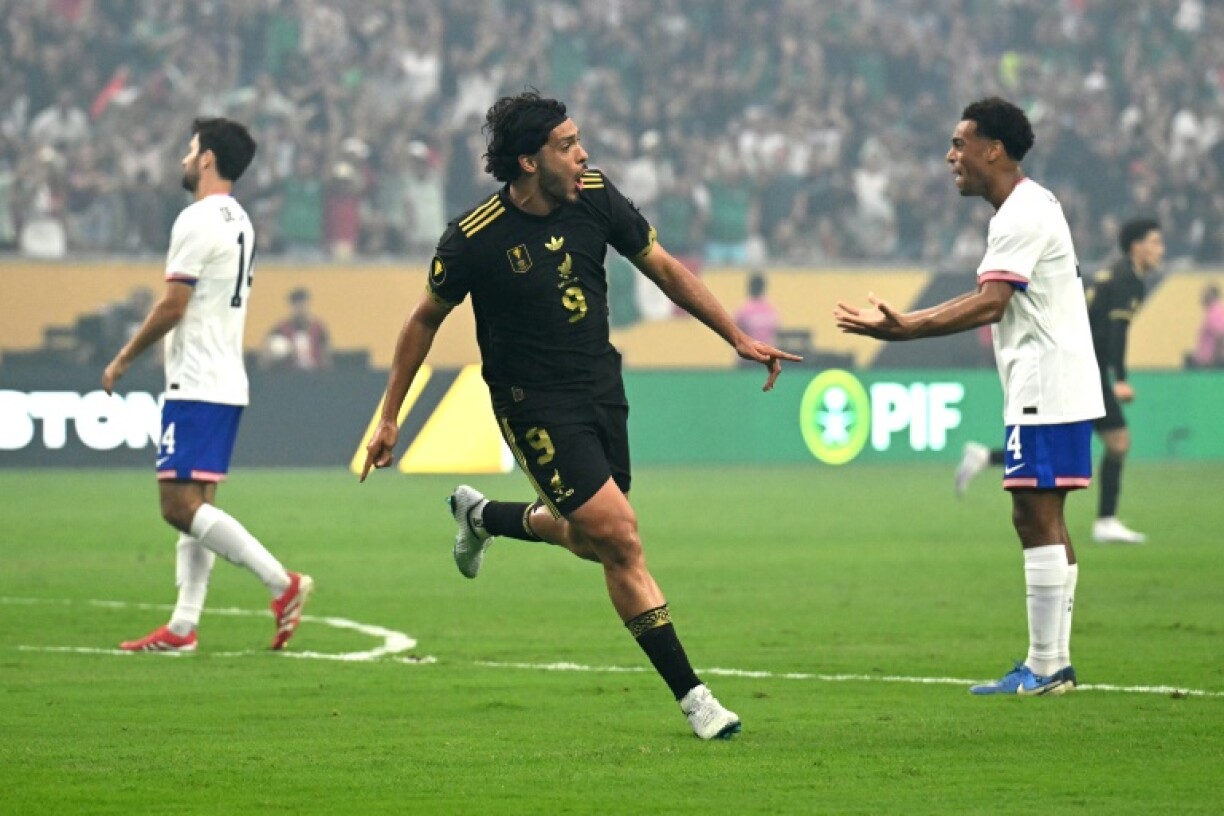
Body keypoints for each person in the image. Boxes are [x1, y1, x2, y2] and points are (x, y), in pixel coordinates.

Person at [362, 92, 800, 738]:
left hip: (600, 386)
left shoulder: (595, 194)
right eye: (567, 145)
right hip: (532, 404)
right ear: (529, 161)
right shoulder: (473, 238)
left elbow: (663, 268)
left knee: (593, 538)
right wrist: (391, 416)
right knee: (620, 537)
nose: (582, 153)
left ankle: (481, 515)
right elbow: (423, 320)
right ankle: (696, 699)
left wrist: (732, 335)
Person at [834, 97, 1103, 696]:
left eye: (960, 143)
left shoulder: (1020, 214)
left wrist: (905, 327)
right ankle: (1053, 664)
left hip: (1044, 381)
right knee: (1046, 513)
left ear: (994, 149)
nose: (950, 156)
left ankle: (1042, 665)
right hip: (1056, 379)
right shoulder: (1031, 204)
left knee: (1031, 512)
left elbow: (991, 301)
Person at [102, 117, 312, 653]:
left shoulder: (196, 218)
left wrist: (126, 355)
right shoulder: (240, 220)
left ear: (209, 159)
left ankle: (280, 583)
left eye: (190, 150)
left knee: (177, 506)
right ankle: (182, 626)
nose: (184, 159)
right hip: (223, 379)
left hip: (196, 380)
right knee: (197, 507)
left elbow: (175, 303)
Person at [955, 219, 1164, 545]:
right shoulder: (1128, 280)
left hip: (1075, 364)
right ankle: (1105, 521)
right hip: (1085, 368)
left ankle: (986, 457)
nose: (1160, 249)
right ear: (1136, 246)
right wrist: (1120, 378)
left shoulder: (1115, 272)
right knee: (1113, 443)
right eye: (1155, 242)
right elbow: (1116, 332)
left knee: (1061, 443)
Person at [260, 286, 332, 370]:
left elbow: (326, 357)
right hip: (289, 375)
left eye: (303, 305)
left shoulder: (319, 328)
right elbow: (264, 358)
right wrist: (279, 354)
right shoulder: (280, 329)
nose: (300, 309)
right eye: (297, 305)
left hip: (314, 375)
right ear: (292, 306)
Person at [734, 271, 781, 347]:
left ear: (749, 288)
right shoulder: (771, 310)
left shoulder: (743, 310)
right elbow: (776, 332)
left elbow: (735, 334)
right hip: (767, 352)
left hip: (748, 353)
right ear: (763, 288)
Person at [1190, 283, 1224, 368]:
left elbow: (1220, 336)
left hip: (1209, 363)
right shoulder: (1212, 312)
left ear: (1212, 296)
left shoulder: (1215, 313)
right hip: (1207, 362)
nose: (1202, 297)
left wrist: (1216, 359)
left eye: (1205, 294)